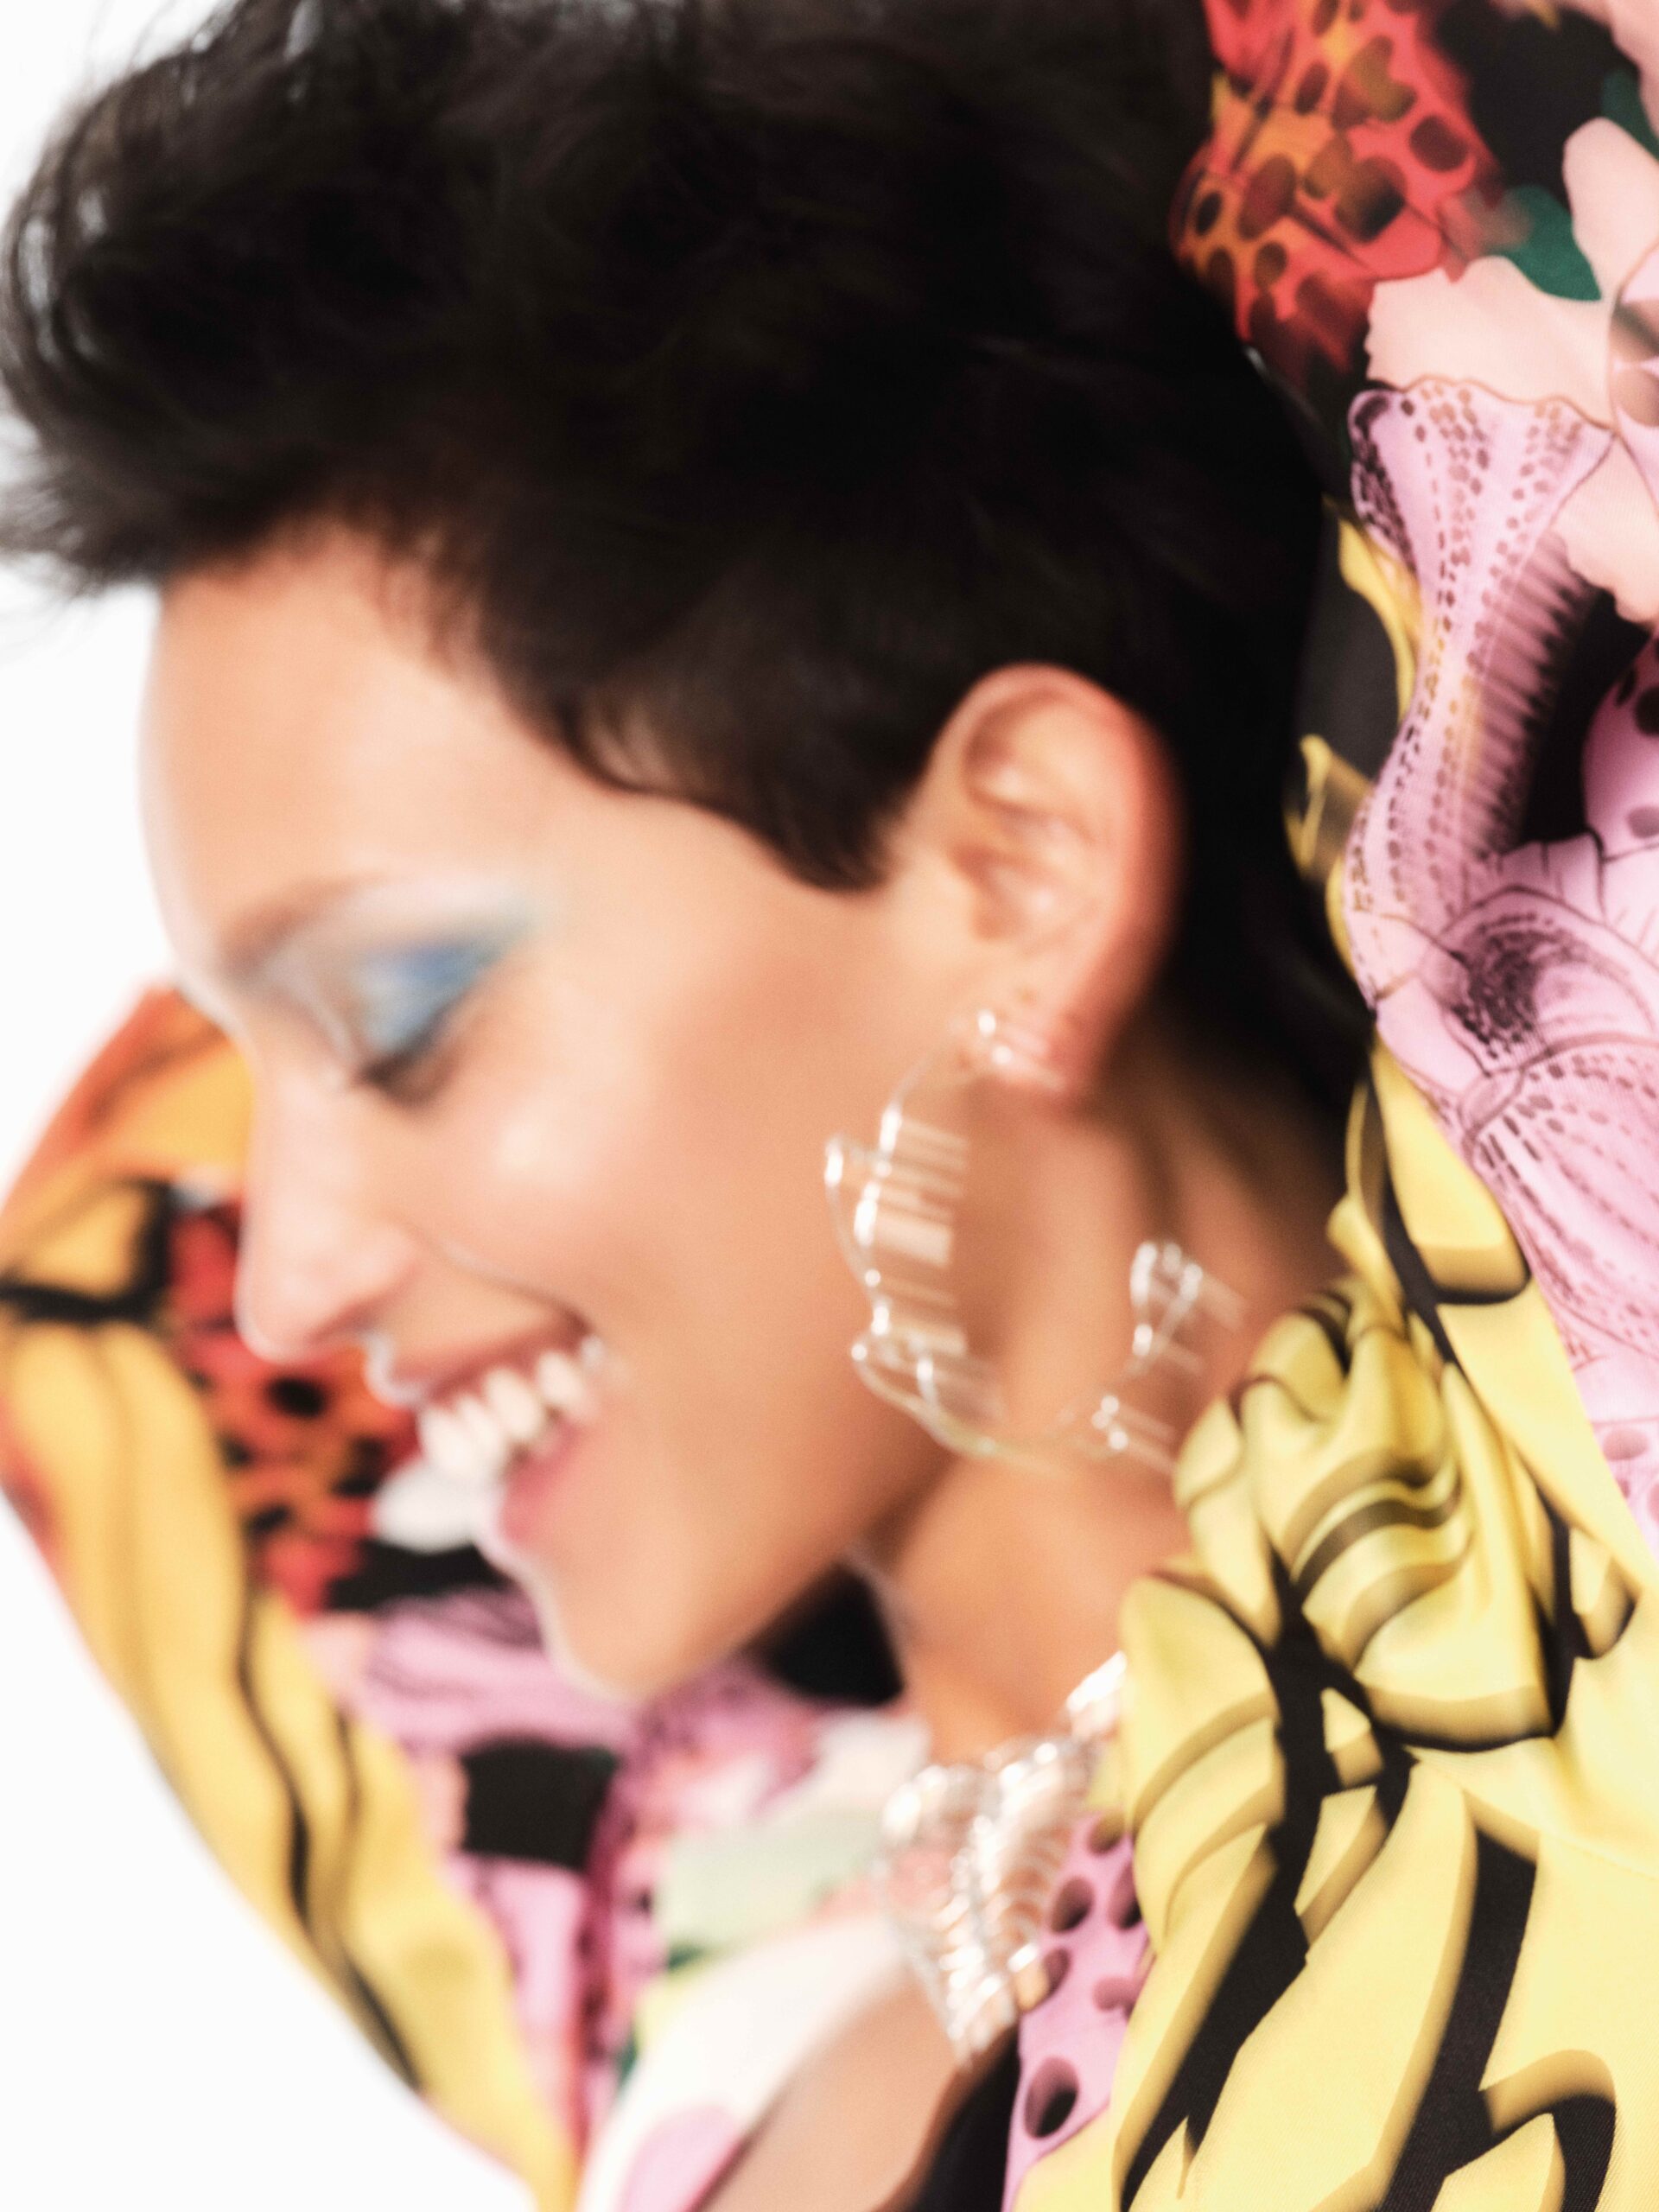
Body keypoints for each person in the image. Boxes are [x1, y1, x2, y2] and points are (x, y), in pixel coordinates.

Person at [6, 0, 1659, 2208]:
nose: (282, 1279)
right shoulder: (704, 1957)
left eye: (399, 1022)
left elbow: (1486, 117)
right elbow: (93, 1286)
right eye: (255, 1071)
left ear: (1019, 866)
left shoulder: (1587, 1478)